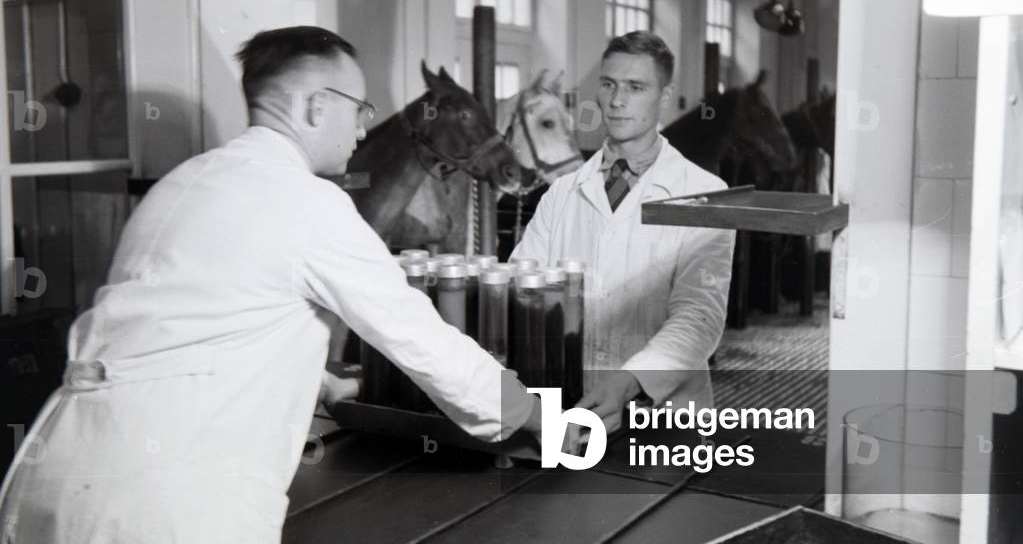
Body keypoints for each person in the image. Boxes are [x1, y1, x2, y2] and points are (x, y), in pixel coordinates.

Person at [0, 26, 540, 543]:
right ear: (315, 106)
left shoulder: (183, 182)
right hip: (167, 501)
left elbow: (184, 328)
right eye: (359, 110)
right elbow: (421, 336)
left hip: (55, 474)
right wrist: (531, 413)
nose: (360, 130)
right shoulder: (306, 200)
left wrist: (328, 385)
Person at [510, 31, 735, 435]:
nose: (617, 101)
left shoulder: (706, 195)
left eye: (636, 87)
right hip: (571, 411)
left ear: (664, 96)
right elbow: (522, 289)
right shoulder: (562, 194)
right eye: (609, 84)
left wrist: (632, 382)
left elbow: (699, 317)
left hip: (663, 417)